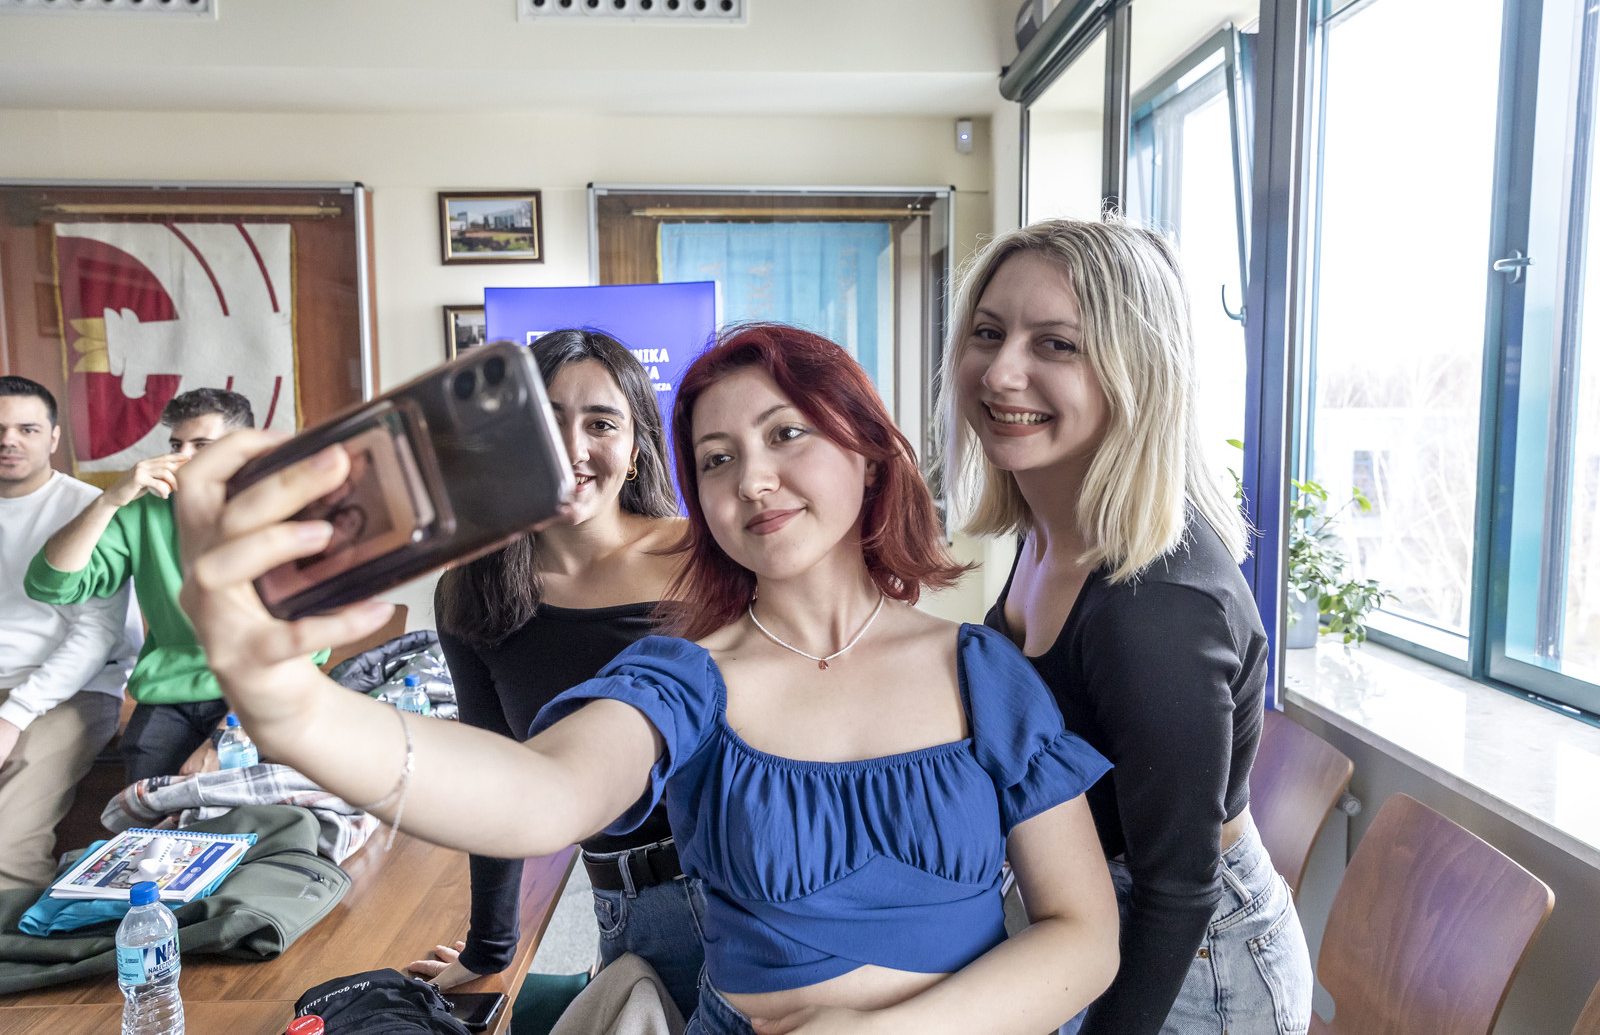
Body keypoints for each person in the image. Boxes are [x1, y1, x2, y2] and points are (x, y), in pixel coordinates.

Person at [174, 323, 1120, 1035]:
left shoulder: (982, 670)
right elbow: (538, 795)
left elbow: (1082, 932)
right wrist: (291, 704)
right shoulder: (686, 673)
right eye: (718, 459)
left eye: (787, 434)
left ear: (868, 455)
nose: (753, 479)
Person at [940, 216, 1313, 1035]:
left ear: (1136, 372)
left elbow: (1178, 891)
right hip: (1089, 903)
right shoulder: (1053, 525)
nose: (1001, 372)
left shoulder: (1155, 607)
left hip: (1190, 958)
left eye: (1056, 345)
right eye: (989, 333)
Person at [405, 329, 703, 1018]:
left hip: (750, 894)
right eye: (546, 421)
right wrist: (489, 948)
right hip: (628, 910)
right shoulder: (472, 592)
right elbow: (493, 776)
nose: (571, 448)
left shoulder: (703, 558)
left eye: (601, 423)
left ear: (636, 449)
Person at [25, 387, 324, 783]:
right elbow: (50, 585)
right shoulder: (144, 510)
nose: (182, 458)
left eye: (202, 446)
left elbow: (304, 645)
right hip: (168, 693)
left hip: (263, 692)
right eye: (175, 445)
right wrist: (110, 500)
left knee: (250, 814)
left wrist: (230, 734)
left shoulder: (286, 509)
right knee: (143, 813)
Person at [0, 376, 138, 889]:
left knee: (6, 846)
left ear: (54, 437)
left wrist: (13, 715)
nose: (9, 440)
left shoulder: (90, 509)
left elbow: (96, 636)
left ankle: (16, 935)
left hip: (71, 692)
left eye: (27, 429)